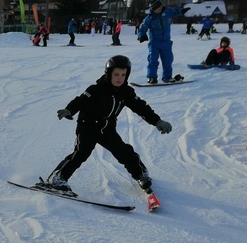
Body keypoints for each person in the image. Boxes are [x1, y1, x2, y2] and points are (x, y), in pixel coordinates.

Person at [44, 56, 172, 196]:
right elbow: (80, 101)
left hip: (107, 128)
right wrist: (69, 110)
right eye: (116, 74)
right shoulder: (95, 89)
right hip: (88, 126)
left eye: (123, 75)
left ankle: (141, 174)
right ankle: (58, 178)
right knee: (81, 153)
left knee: (123, 151)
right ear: (108, 73)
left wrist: (157, 121)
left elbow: (141, 108)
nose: (119, 78)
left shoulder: (126, 92)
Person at [137, 0, 190, 84]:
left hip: (166, 42)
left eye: (161, 6)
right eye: (158, 7)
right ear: (154, 9)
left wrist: (182, 11)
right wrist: (141, 35)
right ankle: (152, 77)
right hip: (154, 43)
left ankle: (167, 77)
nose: (160, 8)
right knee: (153, 60)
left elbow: (175, 11)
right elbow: (142, 28)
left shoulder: (167, 11)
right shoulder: (150, 18)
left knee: (168, 60)